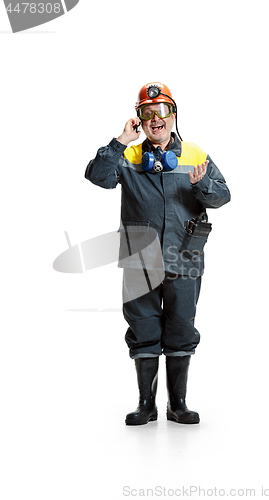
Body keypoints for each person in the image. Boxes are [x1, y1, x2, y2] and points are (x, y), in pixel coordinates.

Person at [85, 82, 231, 425]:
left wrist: (201, 184)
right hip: (141, 259)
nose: (155, 119)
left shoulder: (194, 154)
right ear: (140, 119)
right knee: (143, 327)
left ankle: (177, 404)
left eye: (161, 111)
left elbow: (223, 196)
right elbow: (97, 176)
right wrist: (120, 141)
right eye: (147, 113)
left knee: (181, 326)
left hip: (185, 256)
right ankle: (146, 404)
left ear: (173, 115)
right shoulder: (130, 156)